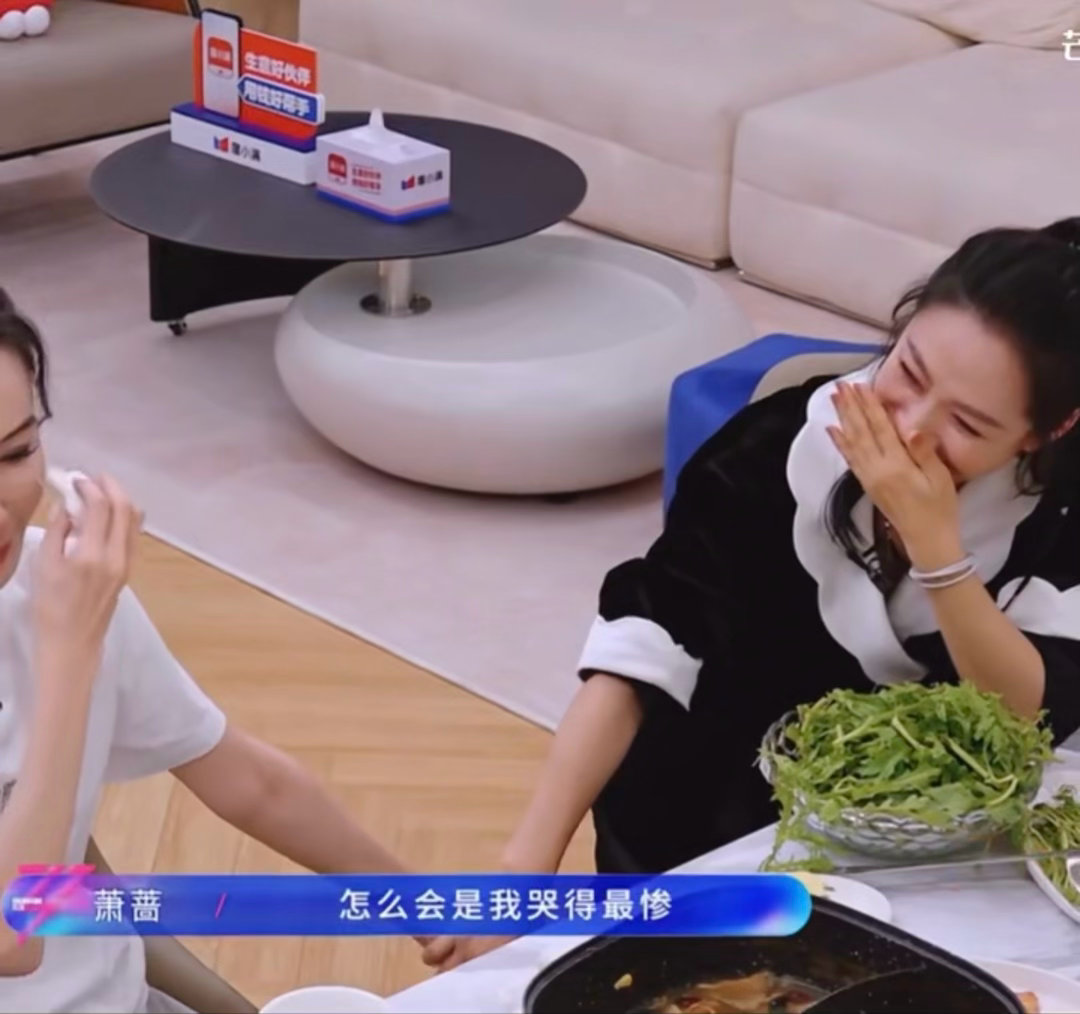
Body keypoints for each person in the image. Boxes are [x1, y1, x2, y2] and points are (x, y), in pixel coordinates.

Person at [423, 217, 1080, 971]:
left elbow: (1025, 711)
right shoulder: (774, 450)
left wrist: (936, 549)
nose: (909, 433)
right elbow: (649, 645)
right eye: (908, 372)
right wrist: (525, 867)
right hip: (693, 818)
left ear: (1049, 429)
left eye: (966, 423)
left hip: (918, 860)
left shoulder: (1058, 514)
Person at [0, 289, 415, 1011]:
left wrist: (426, 905)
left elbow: (242, 778)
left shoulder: (59, 585)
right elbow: (12, 938)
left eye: (16, 452)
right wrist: (68, 656)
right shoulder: (69, 620)